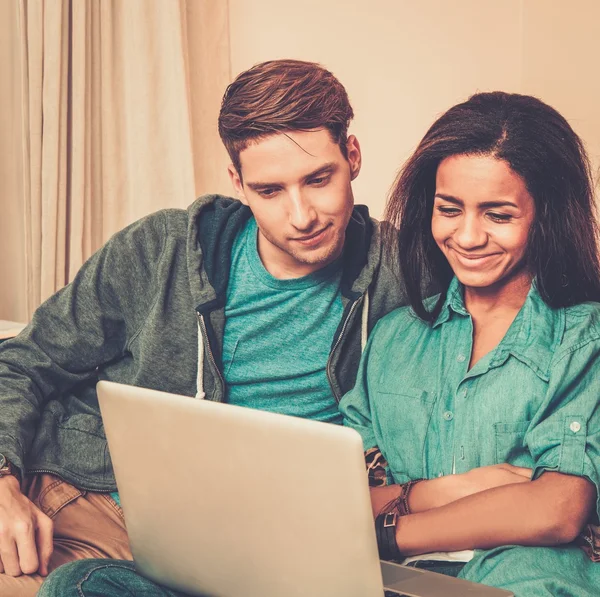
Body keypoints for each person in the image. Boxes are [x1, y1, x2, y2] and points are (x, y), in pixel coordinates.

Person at [339, 91, 600, 595]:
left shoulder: (583, 339)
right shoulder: (394, 338)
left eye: (498, 215)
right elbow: (345, 494)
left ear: (545, 217)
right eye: (449, 209)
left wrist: (389, 531)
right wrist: (448, 492)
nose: (468, 235)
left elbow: (558, 509)